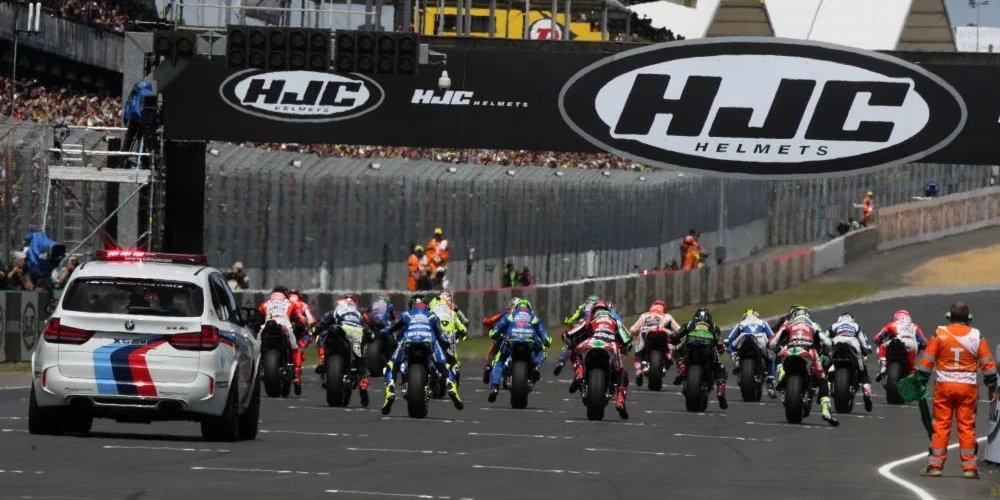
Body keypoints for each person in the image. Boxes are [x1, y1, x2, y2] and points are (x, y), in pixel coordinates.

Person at [914, 301, 997, 479]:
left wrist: (920, 382)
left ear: (950, 317)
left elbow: (926, 362)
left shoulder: (939, 334)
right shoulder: (977, 336)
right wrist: (992, 387)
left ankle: (935, 465)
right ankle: (970, 467)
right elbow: (988, 365)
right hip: (968, 388)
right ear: (968, 318)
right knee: (966, 426)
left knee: (941, 425)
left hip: (944, 387)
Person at [381, 295, 464, 415]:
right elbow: (442, 337)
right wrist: (445, 343)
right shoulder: (432, 316)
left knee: (391, 365)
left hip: (409, 340)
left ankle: (390, 391)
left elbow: (390, 328)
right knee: (445, 366)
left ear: (412, 306)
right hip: (428, 340)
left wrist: (384, 333)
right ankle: (452, 387)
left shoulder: (406, 314)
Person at [769, 309, 839, 426]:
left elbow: (771, 343)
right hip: (809, 351)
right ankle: (825, 410)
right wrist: (830, 348)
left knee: (779, 357)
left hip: (790, 350)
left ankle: (781, 376)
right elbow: (828, 342)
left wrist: (776, 349)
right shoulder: (813, 325)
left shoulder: (787, 324)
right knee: (822, 377)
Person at [564, 300, 632, 419]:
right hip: (611, 346)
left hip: (591, 343)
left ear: (593, 311)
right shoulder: (615, 321)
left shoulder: (589, 319)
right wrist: (624, 348)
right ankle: (620, 400)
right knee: (622, 373)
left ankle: (579, 371)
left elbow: (570, 334)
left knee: (574, 350)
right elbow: (627, 340)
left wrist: (567, 339)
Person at [486, 299, 552, 403]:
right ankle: (536, 366)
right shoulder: (534, 317)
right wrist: (547, 341)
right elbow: (546, 338)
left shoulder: (510, 316)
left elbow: (493, 333)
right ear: (529, 308)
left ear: (516, 308)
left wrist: (493, 334)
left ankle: (494, 388)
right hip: (529, 341)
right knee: (542, 349)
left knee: (499, 361)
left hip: (512, 340)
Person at [312, 294, 371, 407]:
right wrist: (371, 335)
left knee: (322, 336)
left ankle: (322, 359)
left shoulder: (338, 307)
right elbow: (367, 328)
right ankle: (363, 384)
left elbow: (324, 321)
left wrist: (315, 329)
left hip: (340, 329)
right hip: (356, 333)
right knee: (361, 358)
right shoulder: (358, 312)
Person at [670, 308, 729, 409]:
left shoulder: (689, 324)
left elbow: (674, 336)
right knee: (720, 367)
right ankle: (720, 389)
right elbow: (720, 345)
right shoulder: (714, 327)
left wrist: (673, 341)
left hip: (691, 344)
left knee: (676, 350)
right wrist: (720, 349)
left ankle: (682, 366)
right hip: (708, 347)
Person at [258, 286, 307, 395]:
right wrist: (303, 323)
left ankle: (254, 370)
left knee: (256, 348)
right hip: (284, 326)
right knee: (295, 349)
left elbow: (257, 318)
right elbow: (300, 318)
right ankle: (297, 375)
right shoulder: (290, 304)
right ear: (286, 295)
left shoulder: (265, 304)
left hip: (266, 327)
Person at [826, 312, 874, 411]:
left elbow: (824, 337)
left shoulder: (833, 326)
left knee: (826, 363)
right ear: (852, 319)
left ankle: (825, 384)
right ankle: (866, 388)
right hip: (853, 344)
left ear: (839, 319)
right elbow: (864, 342)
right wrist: (867, 348)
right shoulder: (857, 326)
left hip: (836, 343)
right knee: (862, 368)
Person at [725, 309, 778, 398]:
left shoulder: (741, 323)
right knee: (772, 358)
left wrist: (731, 351)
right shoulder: (763, 322)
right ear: (757, 315)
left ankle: (736, 359)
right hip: (760, 339)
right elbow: (772, 337)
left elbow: (729, 339)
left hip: (743, 338)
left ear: (745, 316)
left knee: (729, 343)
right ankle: (770, 382)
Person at [629, 300, 680, 386]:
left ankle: (638, 370)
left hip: (645, 333)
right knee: (672, 340)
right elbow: (679, 329)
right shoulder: (667, 316)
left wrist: (638, 333)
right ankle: (669, 356)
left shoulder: (644, 315)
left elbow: (633, 329)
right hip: (662, 333)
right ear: (663, 309)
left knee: (638, 355)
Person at [873, 309, 928, 382]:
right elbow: (924, 343)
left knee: (882, 346)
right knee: (913, 367)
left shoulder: (892, 324)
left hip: (898, 341)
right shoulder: (915, 327)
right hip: (912, 345)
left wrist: (879, 341)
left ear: (896, 317)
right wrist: (920, 345)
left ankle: (883, 367)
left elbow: (877, 338)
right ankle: (912, 375)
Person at [554, 294, 601, 376]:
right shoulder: (600, 307)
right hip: (596, 327)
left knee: (570, 344)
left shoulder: (583, 306)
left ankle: (562, 362)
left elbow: (571, 320)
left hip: (581, 326)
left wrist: (570, 325)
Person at [430, 291, 469, 380]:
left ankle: (443, 371)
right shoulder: (439, 304)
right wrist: (462, 331)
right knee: (451, 356)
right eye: (447, 296)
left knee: (437, 354)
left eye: (449, 297)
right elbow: (465, 322)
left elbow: (465, 320)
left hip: (442, 332)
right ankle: (454, 368)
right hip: (449, 332)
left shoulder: (449, 307)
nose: (449, 298)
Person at [482, 297, 521, 383]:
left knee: (492, 353)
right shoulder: (525, 316)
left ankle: (488, 366)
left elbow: (489, 321)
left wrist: (490, 326)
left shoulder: (505, 314)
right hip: (518, 339)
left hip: (503, 339)